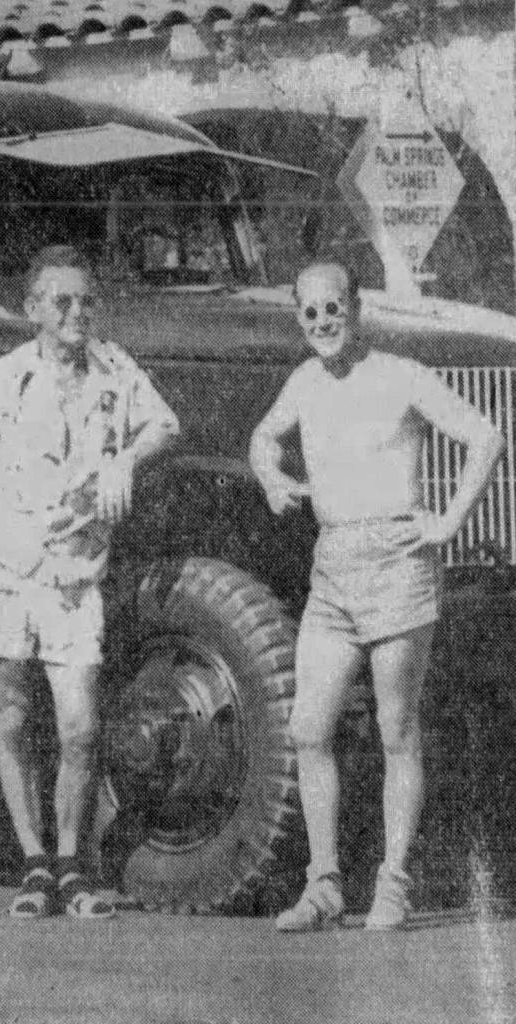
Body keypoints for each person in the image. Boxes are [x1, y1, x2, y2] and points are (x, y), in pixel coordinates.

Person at [250, 262, 504, 931]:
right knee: (308, 728)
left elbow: (485, 437)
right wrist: (271, 477)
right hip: (331, 570)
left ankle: (392, 883)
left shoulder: (401, 373)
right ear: (297, 317)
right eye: (308, 313)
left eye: (332, 308)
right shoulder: (304, 380)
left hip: (398, 567)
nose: (322, 323)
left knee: (396, 730)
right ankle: (324, 882)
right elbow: (261, 438)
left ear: (357, 308)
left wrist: (448, 522)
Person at [0, 245, 179, 919]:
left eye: (86, 301)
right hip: (0, 564)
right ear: (33, 311)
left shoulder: (114, 369)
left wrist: (123, 465)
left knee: (78, 726)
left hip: (72, 572)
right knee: (11, 714)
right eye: (63, 302)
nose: (78, 314)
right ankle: (34, 866)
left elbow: (164, 424)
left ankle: (73, 865)